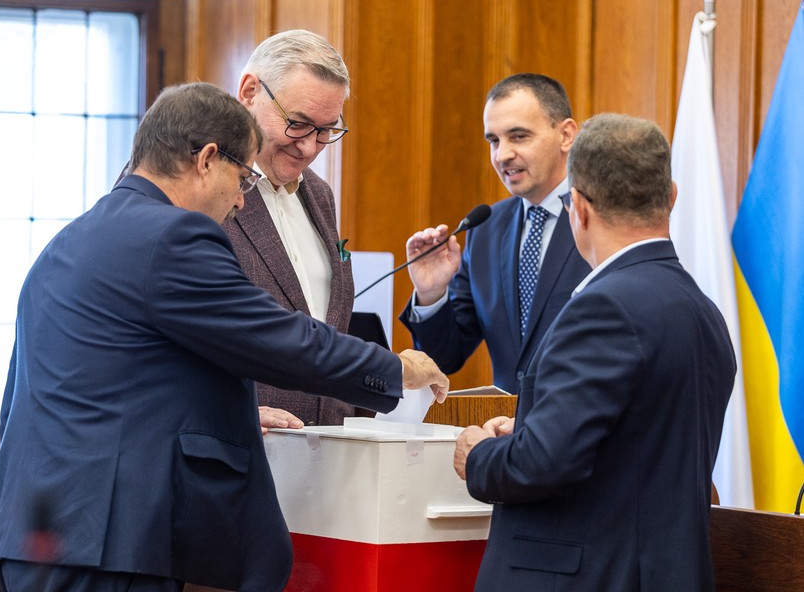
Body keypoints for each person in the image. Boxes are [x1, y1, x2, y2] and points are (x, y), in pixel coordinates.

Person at [0, 82, 449, 592]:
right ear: (207, 159)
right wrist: (396, 369)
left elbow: (85, 390)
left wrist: (222, 412)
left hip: (35, 538)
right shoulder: (173, 235)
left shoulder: (70, 239)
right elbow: (277, 338)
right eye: (243, 178)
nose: (240, 200)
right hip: (111, 544)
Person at [453, 113, 736, 591]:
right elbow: (638, 441)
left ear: (578, 208)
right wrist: (535, 425)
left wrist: (478, 455)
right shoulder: (703, 309)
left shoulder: (601, 308)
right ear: (671, 197)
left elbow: (539, 466)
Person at [400, 73, 591, 393]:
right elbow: (444, 358)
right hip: (505, 422)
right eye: (494, 141)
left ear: (566, 135)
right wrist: (431, 294)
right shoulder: (486, 229)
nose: (502, 155)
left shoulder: (602, 219)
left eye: (519, 136)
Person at [223, 30, 356, 425]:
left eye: (326, 130)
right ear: (249, 92)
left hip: (324, 446)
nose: (310, 147)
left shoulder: (320, 194)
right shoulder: (198, 182)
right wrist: (228, 414)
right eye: (298, 123)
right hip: (235, 445)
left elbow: (326, 329)